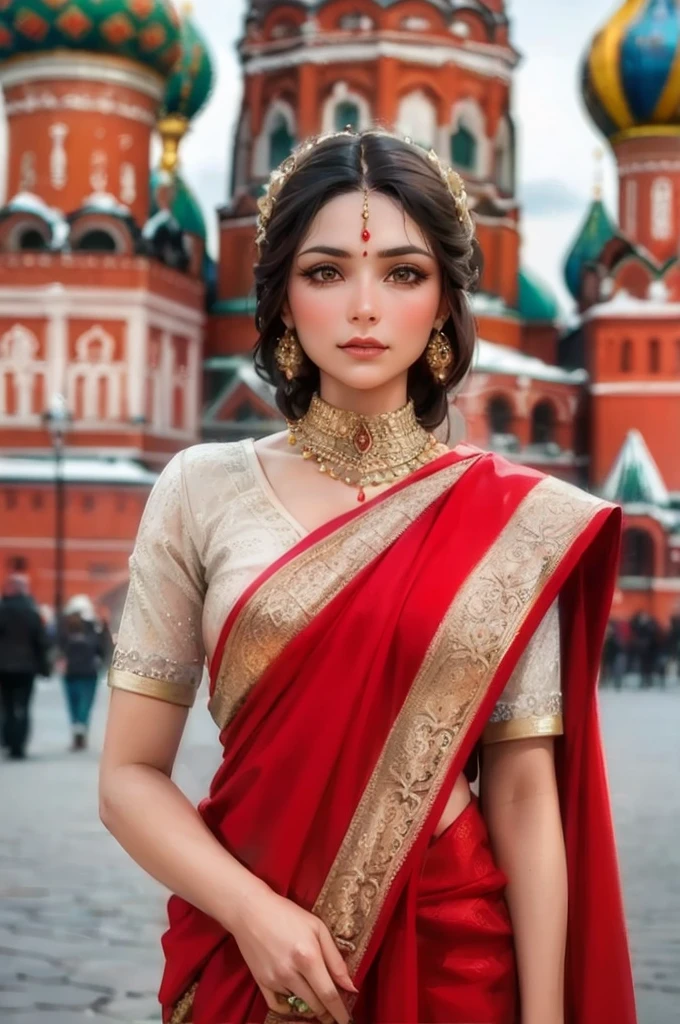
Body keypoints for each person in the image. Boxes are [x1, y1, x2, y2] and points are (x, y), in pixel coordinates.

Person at [99, 129, 636, 1024]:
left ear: (444, 302)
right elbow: (128, 777)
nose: (362, 308)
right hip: (253, 952)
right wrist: (252, 912)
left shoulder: (512, 520)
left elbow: (522, 791)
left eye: (401, 273)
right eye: (323, 273)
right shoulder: (203, 489)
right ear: (279, 300)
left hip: (453, 955)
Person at [0, 573, 51, 760]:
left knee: (6, 704)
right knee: (23, 705)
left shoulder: (2, 610)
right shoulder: (32, 612)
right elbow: (41, 642)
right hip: (26, 667)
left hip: (4, 667)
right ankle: (19, 744)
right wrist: (45, 668)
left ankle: (8, 738)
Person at [59, 595, 112, 751]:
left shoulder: (65, 627)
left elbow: (59, 647)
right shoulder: (95, 627)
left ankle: (77, 726)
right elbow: (103, 648)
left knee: (73, 701)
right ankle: (82, 726)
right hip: (89, 670)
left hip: (70, 671)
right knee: (85, 702)